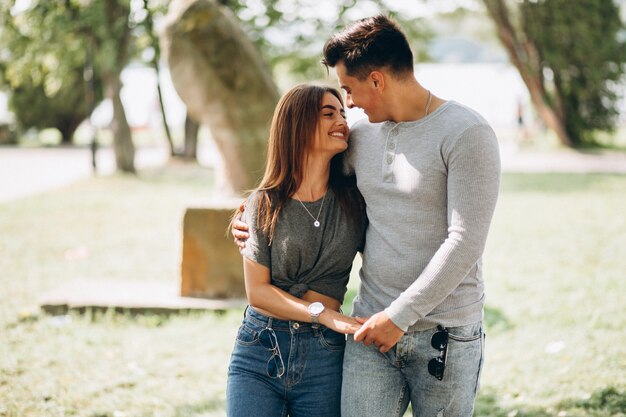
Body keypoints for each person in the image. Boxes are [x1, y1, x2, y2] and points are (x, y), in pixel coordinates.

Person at [233, 15, 501, 417]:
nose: (349, 105)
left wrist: (400, 316)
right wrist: (248, 214)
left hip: (445, 334)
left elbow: (465, 241)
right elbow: (299, 182)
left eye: (349, 89)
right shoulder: (360, 138)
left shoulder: (466, 133)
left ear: (376, 80)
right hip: (368, 332)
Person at [226, 84, 367, 417]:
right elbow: (257, 293)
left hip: (324, 355)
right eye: (328, 113)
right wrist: (324, 314)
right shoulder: (264, 203)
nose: (342, 121)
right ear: (297, 126)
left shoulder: (355, 201)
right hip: (260, 347)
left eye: (343, 113)